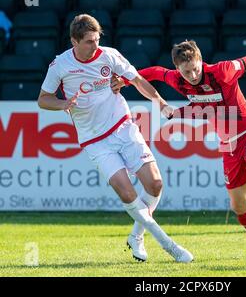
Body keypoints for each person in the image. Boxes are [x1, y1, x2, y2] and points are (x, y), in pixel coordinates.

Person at [113, 41, 246, 260]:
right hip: (229, 146)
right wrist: (125, 80)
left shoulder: (223, 71)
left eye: (196, 68)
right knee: (239, 205)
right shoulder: (177, 80)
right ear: (178, 70)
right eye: (187, 71)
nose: (193, 74)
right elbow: (155, 72)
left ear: (201, 60)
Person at [37, 14, 193, 263]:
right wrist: (63, 103)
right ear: (74, 41)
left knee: (155, 184)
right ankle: (168, 245)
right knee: (127, 193)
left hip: (122, 126)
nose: (95, 45)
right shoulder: (60, 65)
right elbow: (43, 99)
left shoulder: (109, 55)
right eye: (89, 41)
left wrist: (160, 103)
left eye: (97, 39)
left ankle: (136, 236)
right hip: (94, 140)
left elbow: (138, 80)